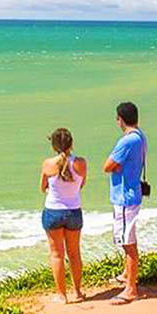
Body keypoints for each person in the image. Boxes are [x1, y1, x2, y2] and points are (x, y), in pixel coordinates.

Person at [102, 101, 146, 304]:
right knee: (128, 237)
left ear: (120, 119)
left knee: (128, 241)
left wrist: (116, 167)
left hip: (124, 197)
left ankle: (131, 289)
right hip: (132, 192)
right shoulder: (140, 136)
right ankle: (127, 275)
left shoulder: (126, 142)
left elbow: (107, 165)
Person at [40, 127, 87, 303]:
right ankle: (78, 291)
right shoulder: (81, 163)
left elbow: (42, 187)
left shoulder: (48, 164)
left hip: (53, 211)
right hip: (74, 211)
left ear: (53, 146)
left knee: (57, 254)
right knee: (74, 254)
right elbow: (81, 184)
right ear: (71, 143)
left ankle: (61, 295)